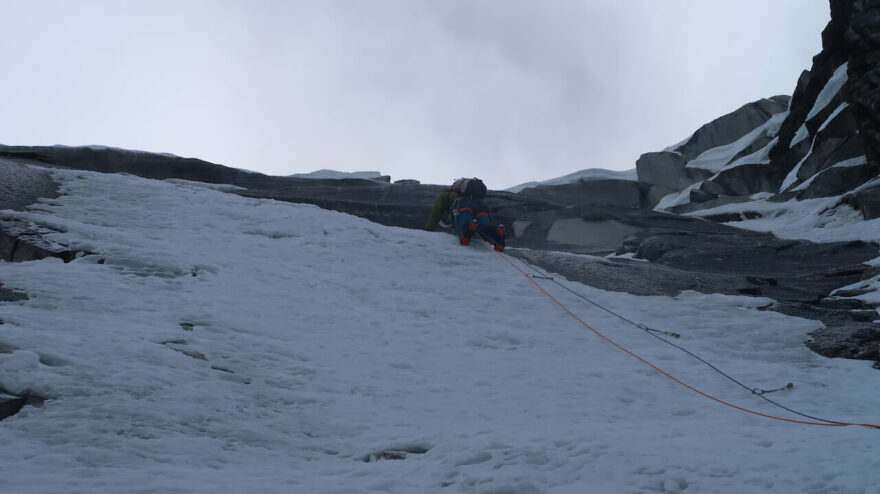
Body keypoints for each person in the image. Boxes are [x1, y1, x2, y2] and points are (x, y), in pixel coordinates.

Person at [425, 177, 505, 251]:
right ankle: (497, 236)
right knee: (485, 225)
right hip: (482, 206)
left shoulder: (444, 196)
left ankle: (465, 233)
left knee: (464, 221)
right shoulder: (470, 193)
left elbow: (436, 213)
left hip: (465, 205)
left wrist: (428, 230)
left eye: (446, 219)